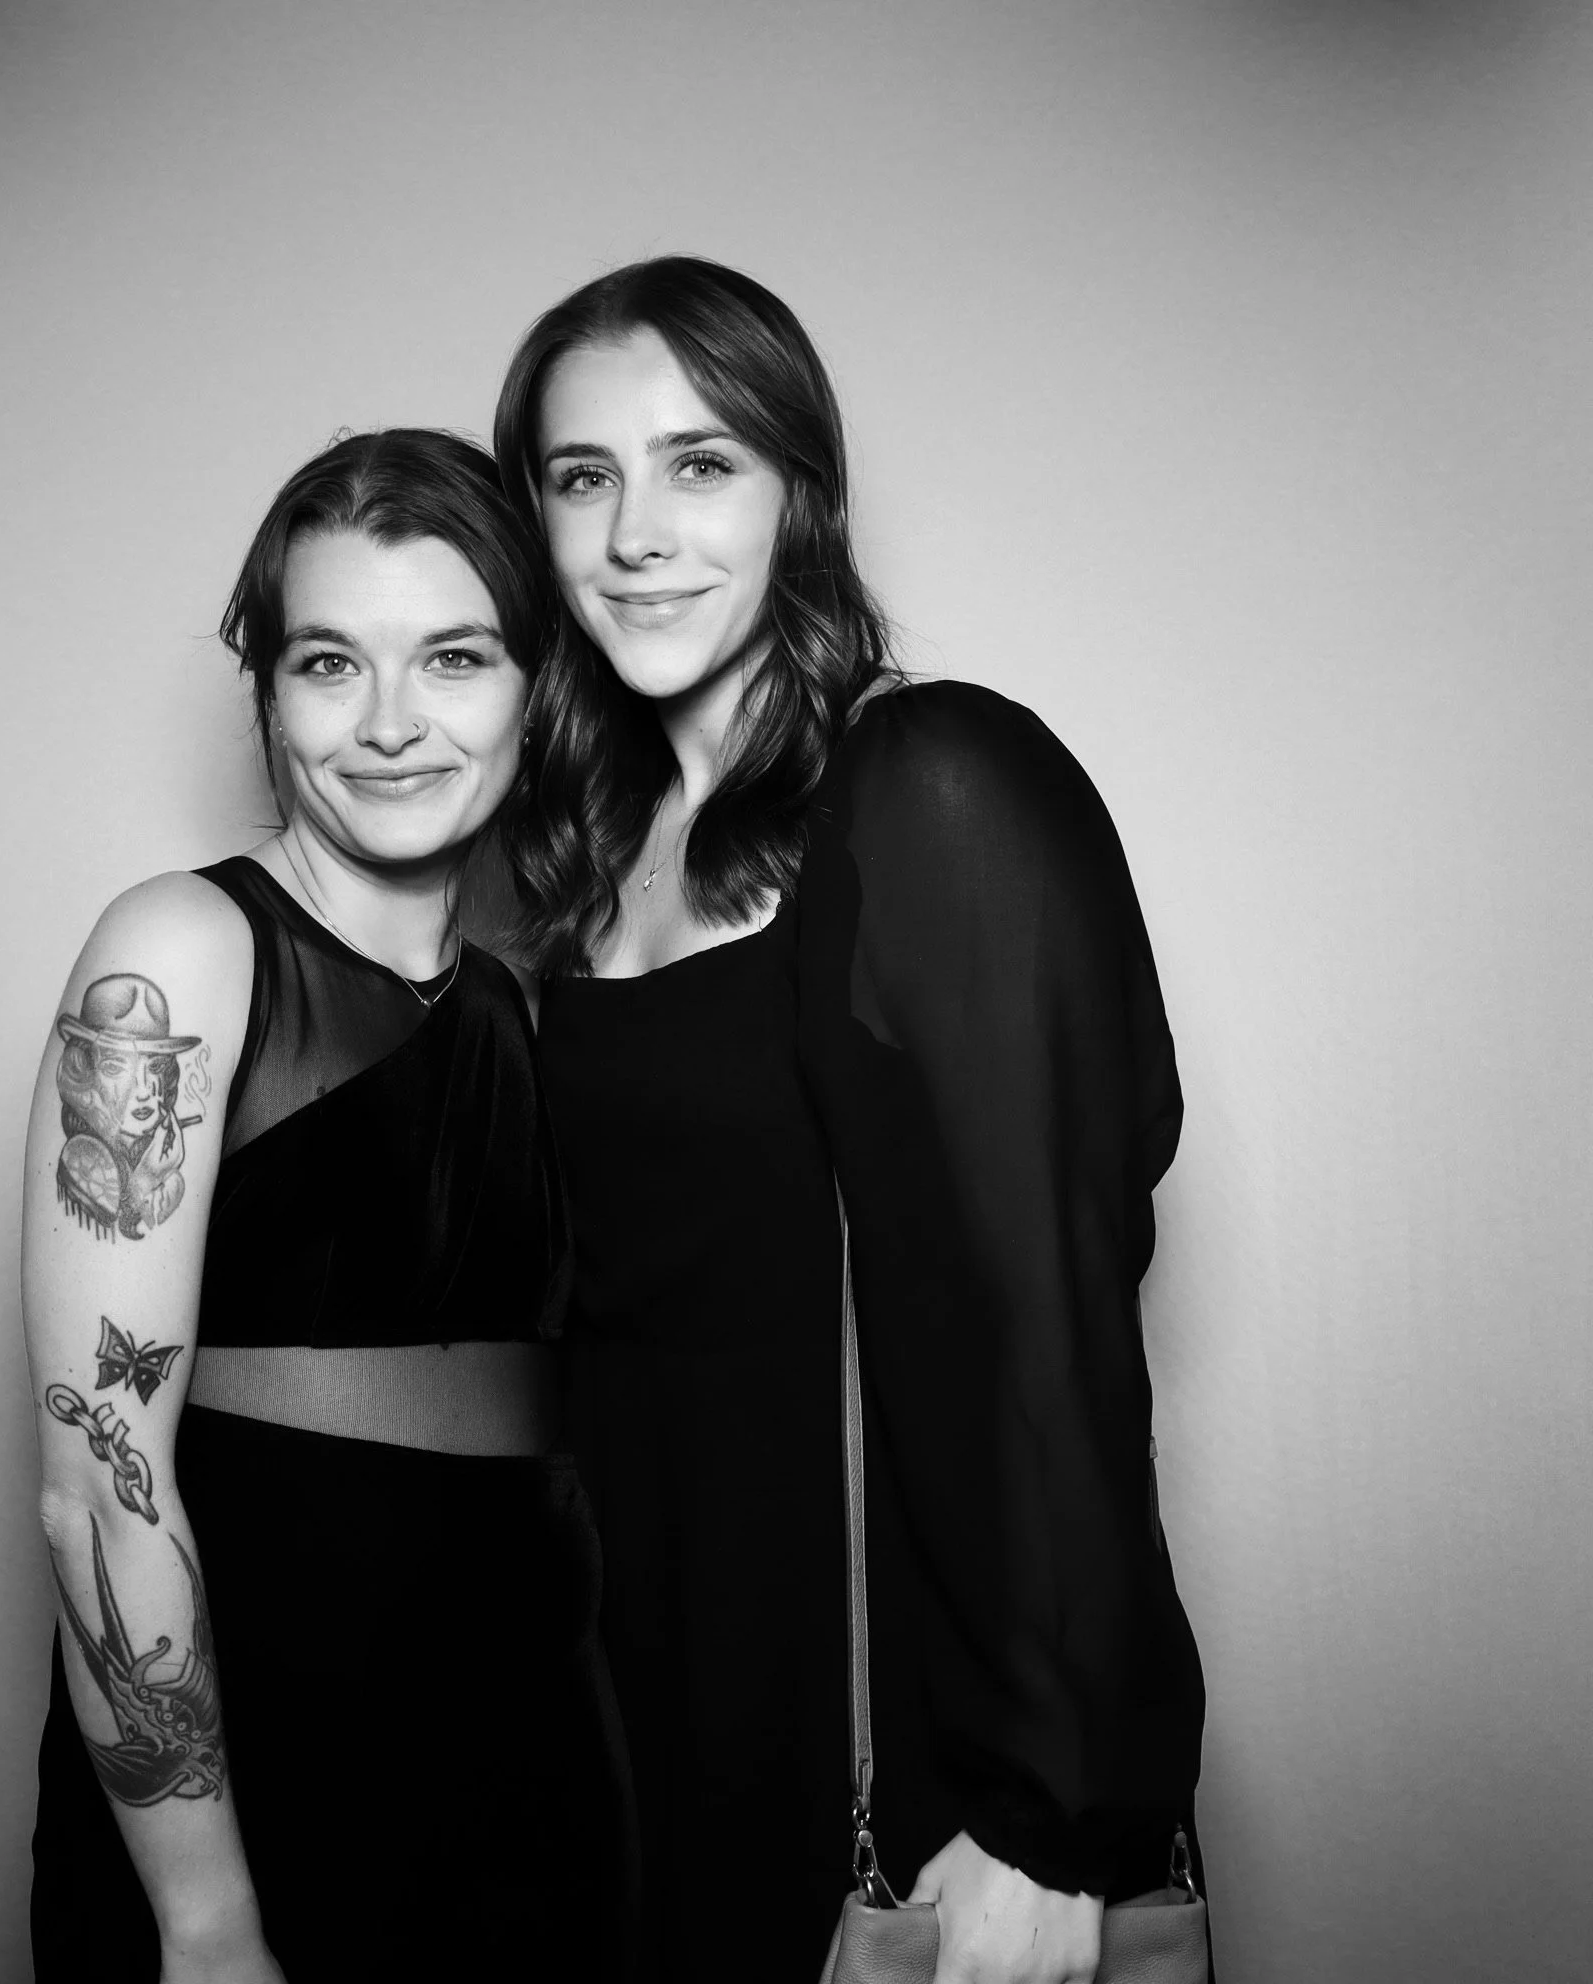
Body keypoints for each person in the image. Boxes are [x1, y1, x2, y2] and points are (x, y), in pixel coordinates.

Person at [494, 258, 1209, 1984]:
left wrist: (1054, 1821)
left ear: (802, 493)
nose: (638, 532)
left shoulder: (935, 786)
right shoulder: (585, 880)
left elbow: (1046, 1326)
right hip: (647, 1736)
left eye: (703, 464)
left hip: (904, 1786)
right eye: (583, 477)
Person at [24, 429, 635, 1984]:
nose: (389, 725)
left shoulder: (529, 1002)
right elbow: (101, 1485)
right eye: (326, 662)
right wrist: (210, 1923)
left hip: (543, 1752)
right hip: (263, 1778)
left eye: (452, 657)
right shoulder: (176, 955)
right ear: (269, 695)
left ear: (532, 685)